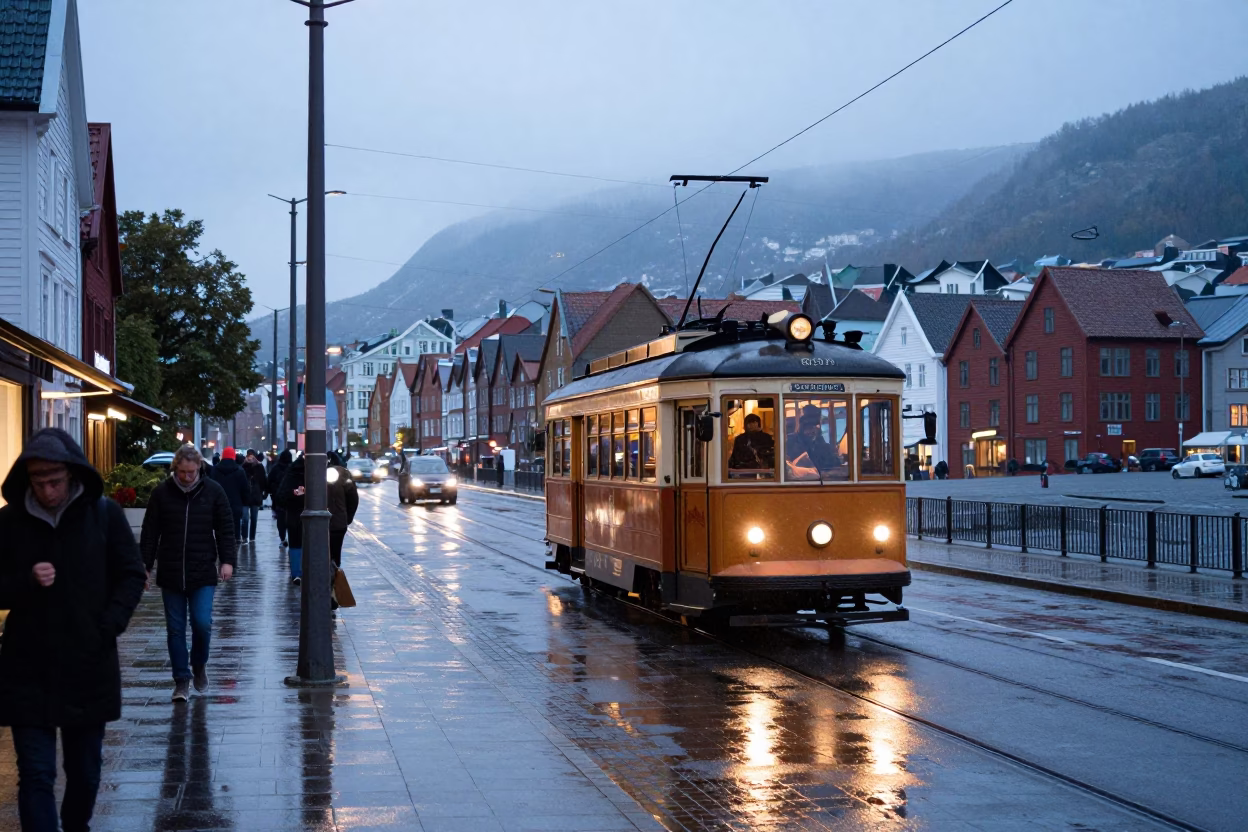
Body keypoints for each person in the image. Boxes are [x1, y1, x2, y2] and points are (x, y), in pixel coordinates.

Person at [0, 428, 146, 832]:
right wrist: (24, 580)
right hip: (27, 666)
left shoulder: (104, 514)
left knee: (84, 773)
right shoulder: (10, 522)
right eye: (38, 482)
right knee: (35, 775)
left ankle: (76, 826)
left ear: (72, 474)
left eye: (54, 481)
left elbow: (132, 574)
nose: (47, 490)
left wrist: (110, 624)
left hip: (88, 663)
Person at [141, 445, 236, 702]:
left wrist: (227, 561)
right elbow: (150, 532)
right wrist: (145, 565)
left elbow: (226, 528)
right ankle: (181, 680)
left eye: (191, 472)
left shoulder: (213, 492)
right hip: (171, 571)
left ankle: (199, 665)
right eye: (182, 472)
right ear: (175, 469)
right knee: (175, 628)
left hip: (202, 569)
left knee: (202, 624)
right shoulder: (162, 493)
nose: (186, 477)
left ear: (199, 469)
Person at [785, 404, 841, 480]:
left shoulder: (822, 444)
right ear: (802, 427)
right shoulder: (791, 442)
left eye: (816, 427)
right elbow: (786, 467)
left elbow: (834, 464)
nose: (813, 431)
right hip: (798, 484)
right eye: (809, 427)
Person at [276, 452, 306, 584]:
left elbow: (281, 496)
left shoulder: (291, 473)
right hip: (311, 517)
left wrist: (293, 496)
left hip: (293, 515)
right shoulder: (319, 473)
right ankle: (307, 571)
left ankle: (296, 573)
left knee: (295, 545)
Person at [210, 447, 250, 545]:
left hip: (218, 504)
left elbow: (210, 486)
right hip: (236, 504)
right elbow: (245, 489)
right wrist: (245, 502)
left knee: (220, 525)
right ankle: (236, 540)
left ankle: (220, 543)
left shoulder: (215, 470)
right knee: (235, 524)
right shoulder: (240, 471)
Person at [326, 451, 359, 570]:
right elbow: (353, 499)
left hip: (316, 523)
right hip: (338, 521)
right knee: (335, 553)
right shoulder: (344, 474)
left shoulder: (314, 472)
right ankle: (333, 582)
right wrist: (348, 517)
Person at [266, 450, 293, 547]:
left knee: (281, 519)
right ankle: (291, 538)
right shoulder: (292, 468)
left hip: (278, 497)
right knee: (291, 518)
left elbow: (269, 481)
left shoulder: (275, 468)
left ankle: (283, 538)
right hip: (291, 497)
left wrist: (270, 492)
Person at [241, 449, 267, 542]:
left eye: (252, 456)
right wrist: (245, 464)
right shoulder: (243, 467)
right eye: (249, 456)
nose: (251, 458)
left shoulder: (260, 467)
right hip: (245, 496)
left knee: (254, 518)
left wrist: (263, 493)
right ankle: (244, 537)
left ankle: (252, 537)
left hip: (255, 496)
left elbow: (263, 481)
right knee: (245, 518)